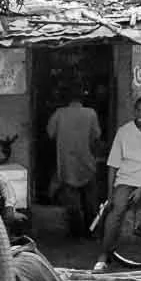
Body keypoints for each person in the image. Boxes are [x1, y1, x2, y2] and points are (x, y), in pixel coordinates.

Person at [94, 96, 141, 272]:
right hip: (126, 178)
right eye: (138, 110)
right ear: (134, 111)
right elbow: (113, 164)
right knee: (116, 210)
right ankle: (104, 256)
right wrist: (110, 193)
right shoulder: (123, 132)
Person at [46, 85, 101, 237]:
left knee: (72, 202)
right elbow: (96, 136)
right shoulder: (91, 113)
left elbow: (50, 134)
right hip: (87, 162)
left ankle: (76, 232)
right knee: (90, 201)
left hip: (67, 164)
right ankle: (91, 231)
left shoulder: (59, 114)